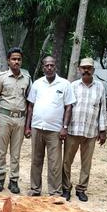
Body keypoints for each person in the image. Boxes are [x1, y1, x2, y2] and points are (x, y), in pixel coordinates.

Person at [25, 56, 76, 196]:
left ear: (55, 67)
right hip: (37, 128)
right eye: (46, 65)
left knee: (54, 163)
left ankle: (55, 192)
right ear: (43, 67)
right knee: (36, 160)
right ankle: (35, 189)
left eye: (51, 65)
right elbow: (30, 106)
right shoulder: (37, 83)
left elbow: (69, 107)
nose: (49, 68)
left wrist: (64, 127)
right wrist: (28, 126)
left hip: (55, 130)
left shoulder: (65, 84)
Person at [62, 58, 107, 202]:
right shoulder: (73, 86)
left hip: (91, 131)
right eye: (83, 68)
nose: (86, 70)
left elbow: (102, 110)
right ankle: (66, 188)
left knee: (86, 163)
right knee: (66, 161)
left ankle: (81, 189)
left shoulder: (100, 87)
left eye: (89, 68)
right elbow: (66, 108)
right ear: (79, 70)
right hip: (73, 130)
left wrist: (102, 130)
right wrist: (63, 126)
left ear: (93, 70)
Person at [0, 47, 31, 194]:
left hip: (20, 118)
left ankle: (14, 181)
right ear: (8, 61)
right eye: (13, 59)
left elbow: (28, 102)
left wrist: (28, 125)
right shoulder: (1, 77)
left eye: (19, 59)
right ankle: (0, 179)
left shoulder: (27, 78)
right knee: (1, 151)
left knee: (16, 153)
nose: (16, 61)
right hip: (4, 118)